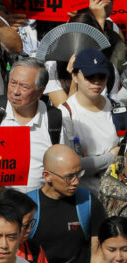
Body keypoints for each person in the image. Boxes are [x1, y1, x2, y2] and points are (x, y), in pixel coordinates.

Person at [0, 58, 72, 192]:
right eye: (13, 83)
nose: (15, 91)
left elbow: (64, 168)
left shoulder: (54, 121)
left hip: (36, 207)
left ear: (40, 92)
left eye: (24, 87)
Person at [29, 144, 107, 263]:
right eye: (69, 177)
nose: (76, 182)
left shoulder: (88, 202)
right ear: (47, 176)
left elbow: (97, 252)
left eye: (79, 174)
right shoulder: (28, 206)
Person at [59, 48, 121, 195]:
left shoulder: (118, 109)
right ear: (74, 76)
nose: (96, 82)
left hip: (116, 197)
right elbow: (71, 167)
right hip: (82, 198)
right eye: (89, 76)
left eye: (102, 76)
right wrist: (111, 157)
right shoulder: (65, 113)